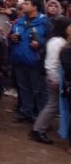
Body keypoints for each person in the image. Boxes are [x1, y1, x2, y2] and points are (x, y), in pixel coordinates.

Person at [30, 16, 71, 144]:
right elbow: (51, 63)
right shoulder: (58, 42)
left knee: (53, 105)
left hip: (56, 78)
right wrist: (55, 79)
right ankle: (38, 129)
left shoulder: (58, 41)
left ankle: (40, 127)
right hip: (55, 78)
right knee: (53, 105)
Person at [9, 0, 50, 123]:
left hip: (35, 61)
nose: (23, 5)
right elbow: (9, 36)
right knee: (24, 88)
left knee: (40, 90)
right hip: (19, 60)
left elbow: (51, 40)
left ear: (35, 7)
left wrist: (40, 43)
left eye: (27, 3)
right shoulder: (19, 21)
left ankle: (42, 118)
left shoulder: (44, 22)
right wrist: (11, 38)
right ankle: (26, 112)